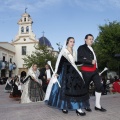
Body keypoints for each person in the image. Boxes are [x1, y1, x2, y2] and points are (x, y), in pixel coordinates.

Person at [44, 37, 89, 116]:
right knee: (65, 90)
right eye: (71, 41)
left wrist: (83, 61)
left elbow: (75, 62)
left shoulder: (74, 51)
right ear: (67, 42)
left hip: (74, 72)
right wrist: (57, 73)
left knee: (77, 89)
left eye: (73, 42)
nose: (72, 43)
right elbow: (60, 63)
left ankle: (78, 109)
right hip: (66, 73)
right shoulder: (64, 51)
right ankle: (64, 106)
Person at [77, 34, 106, 112]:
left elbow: (95, 60)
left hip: (94, 71)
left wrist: (97, 69)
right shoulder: (81, 47)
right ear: (85, 39)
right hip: (86, 71)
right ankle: (86, 105)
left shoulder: (92, 48)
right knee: (85, 89)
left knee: (99, 86)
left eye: (92, 39)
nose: (91, 40)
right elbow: (79, 59)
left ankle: (97, 105)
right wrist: (90, 61)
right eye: (90, 39)